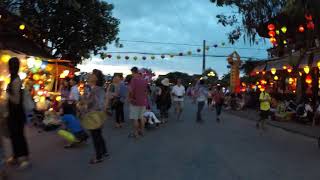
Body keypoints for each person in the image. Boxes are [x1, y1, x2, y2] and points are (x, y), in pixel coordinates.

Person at [6, 57, 30, 169]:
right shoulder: (13, 78)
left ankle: (24, 158)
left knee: (18, 135)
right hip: (13, 112)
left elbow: (16, 100)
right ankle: (16, 156)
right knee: (14, 135)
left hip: (17, 113)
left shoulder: (16, 80)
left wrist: (7, 93)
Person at [83, 69, 109, 164]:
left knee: (95, 136)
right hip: (98, 114)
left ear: (95, 78)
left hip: (94, 114)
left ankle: (98, 157)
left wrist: (85, 101)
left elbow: (95, 103)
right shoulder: (97, 88)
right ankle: (104, 151)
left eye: (92, 75)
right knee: (98, 134)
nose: (89, 75)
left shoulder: (96, 89)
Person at [128, 67, 148, 138]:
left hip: (135, 101)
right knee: (142, 118)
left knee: (135, 119)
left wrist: (130, 98)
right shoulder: (144, 80)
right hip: (143, 102)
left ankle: (136, 134)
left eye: (132, 73)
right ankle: (142, 131)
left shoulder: (134, 80)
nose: (132, 74)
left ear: (134, 72)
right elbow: (146, 91)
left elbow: (131, 91)